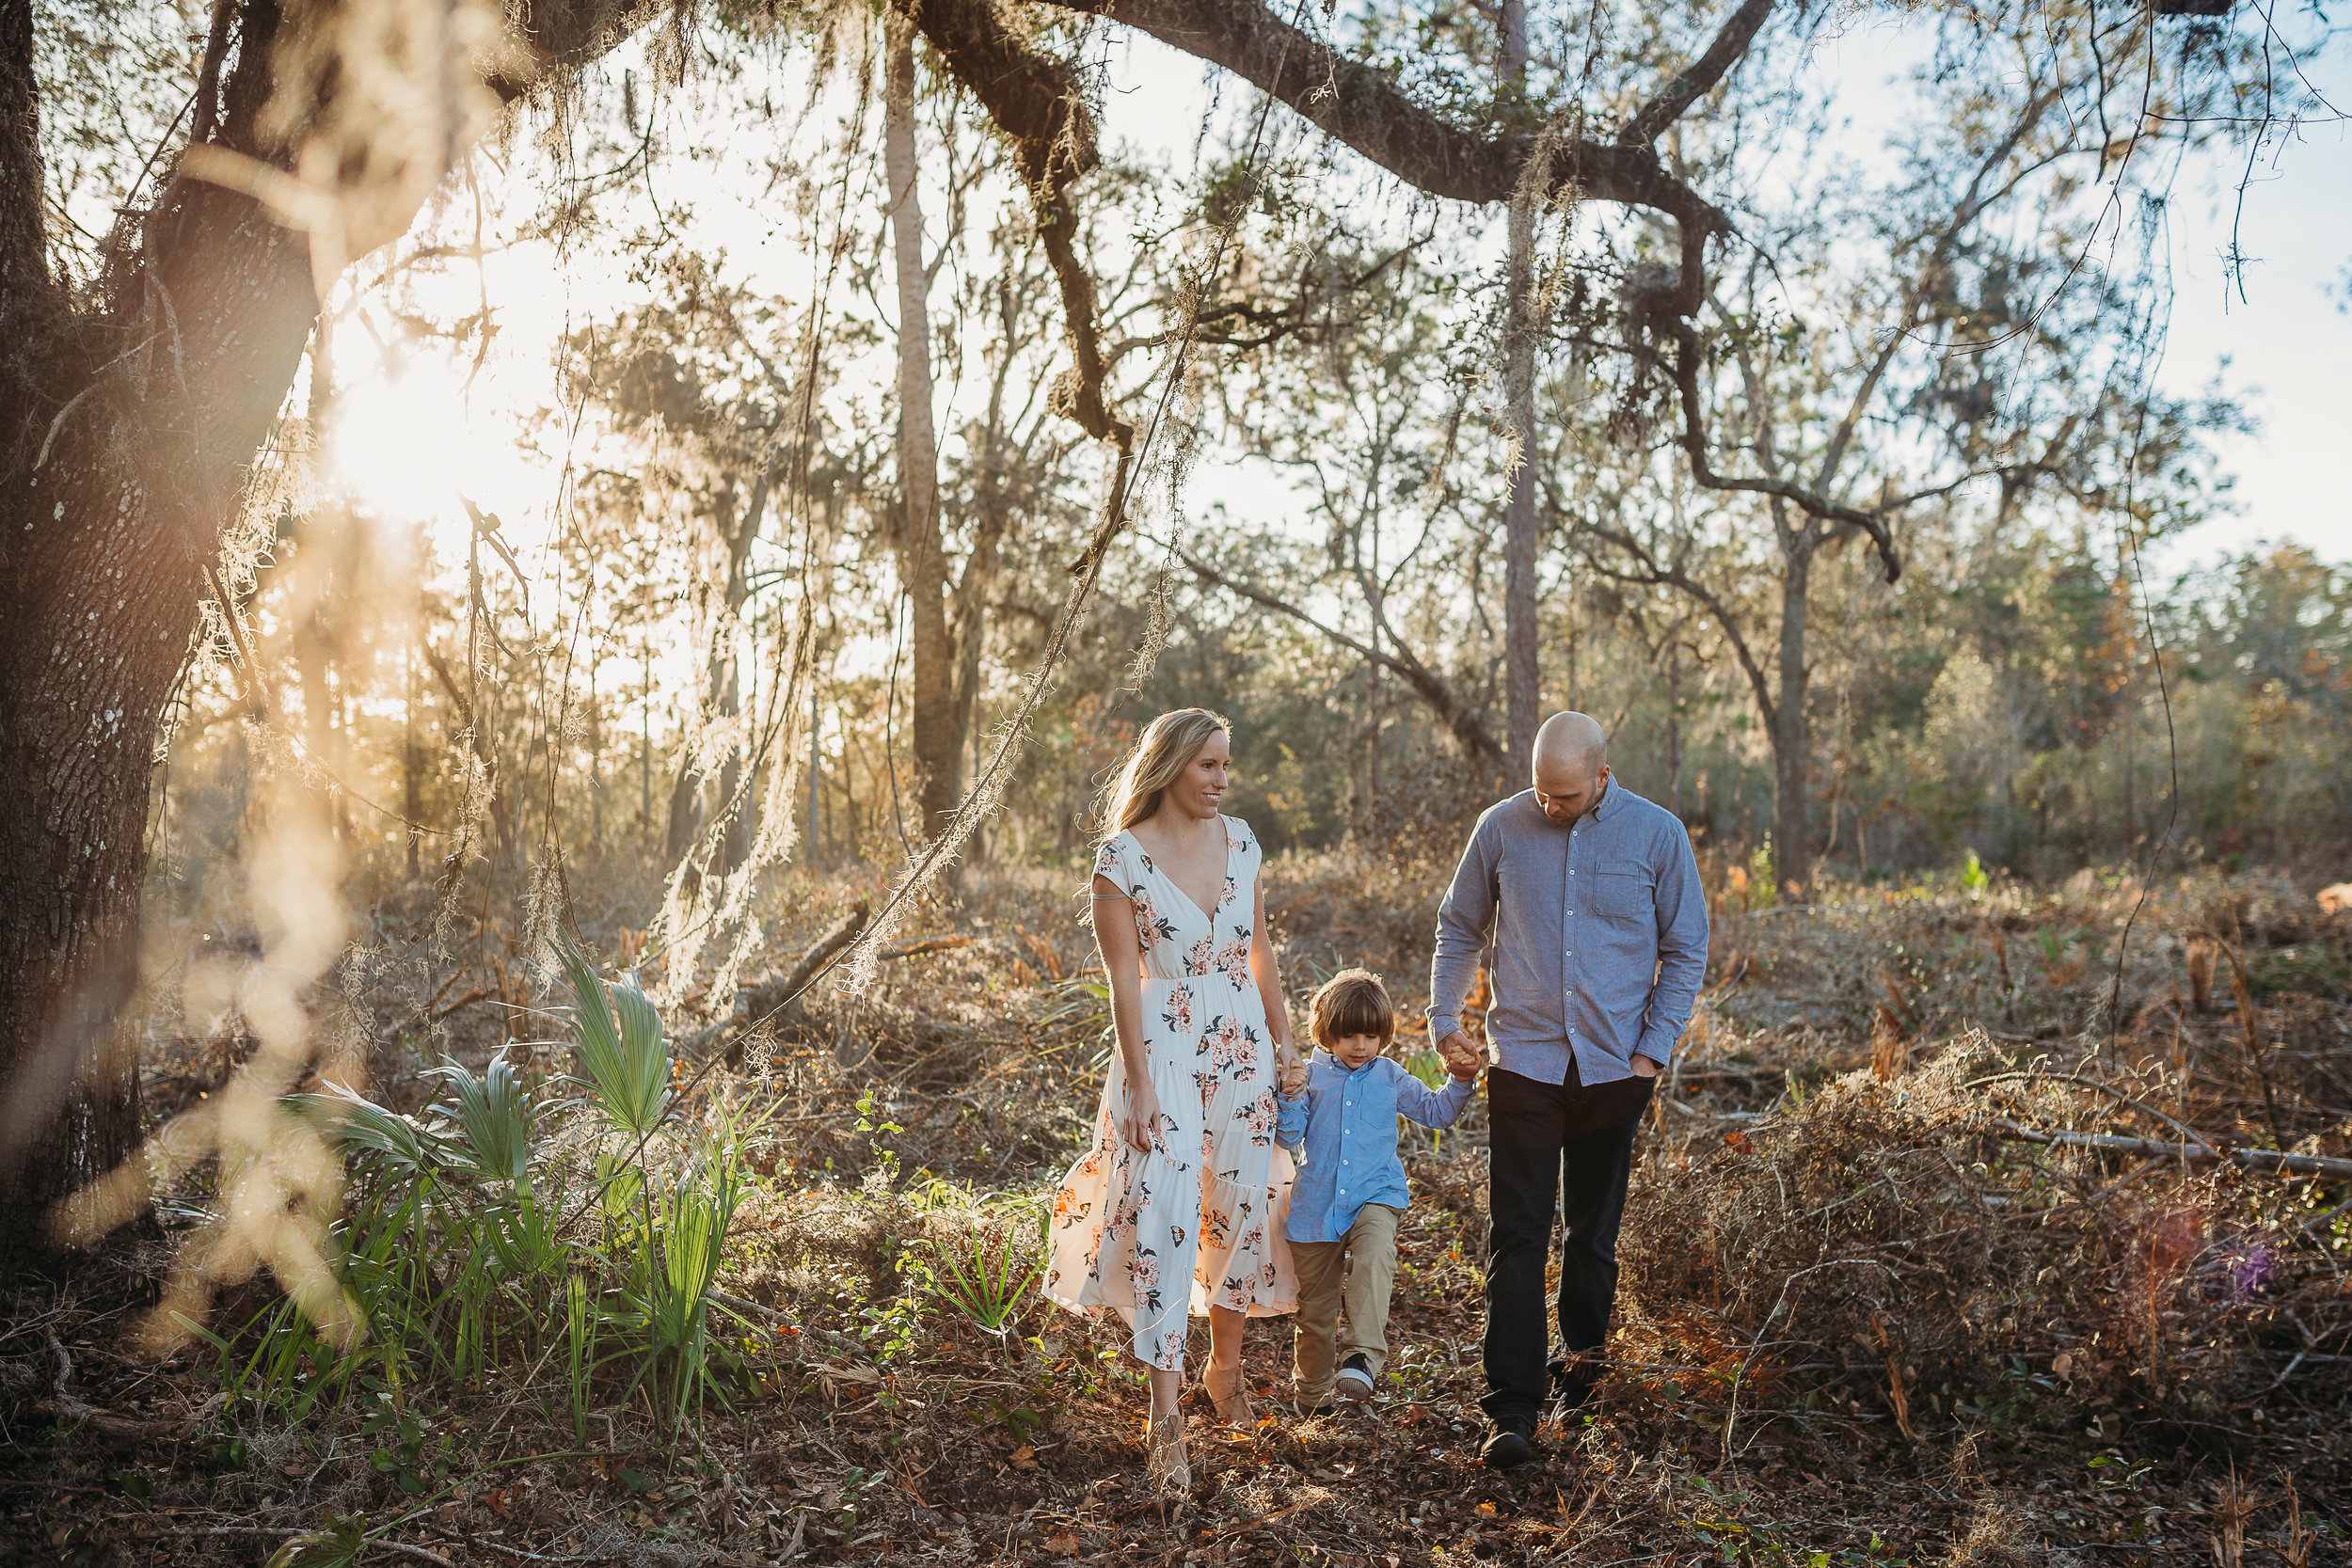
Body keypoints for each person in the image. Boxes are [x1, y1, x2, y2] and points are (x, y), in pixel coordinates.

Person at [1429, 711, 1708, 1469]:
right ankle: (1512, 1409)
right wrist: (1443, 1019)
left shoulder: (1658, 836)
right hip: (1523, 1061)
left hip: (1616, 1071)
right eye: (1542, 792)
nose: (1551, 807)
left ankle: (1582, 1381)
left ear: (1602, 775)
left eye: (1568, 794)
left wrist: (1651, 1052)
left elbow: (1686, 948)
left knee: (1593, 1238)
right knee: (1516, 1235)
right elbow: (1460, 925)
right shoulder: (1501, 827)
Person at [1043, 708, 1302, 1496]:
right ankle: (1164, 1417)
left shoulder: (1245, 842)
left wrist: (1286, 1041)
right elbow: (1124, 980)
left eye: (1227, 765)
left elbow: (1259, 950)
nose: (1223, 780)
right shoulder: (1119, 859)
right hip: (1159, 1046)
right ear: (1170, 767)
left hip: (1241, 1045)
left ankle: (1226, 1369)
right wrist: (1141, 1083)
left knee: (1237, 1202)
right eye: (1209, 766)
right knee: (1161, 1205)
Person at [1276, 969, 1479, 1416]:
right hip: (1315, 1207)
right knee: (1315, 1314)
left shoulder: (1389, 1076)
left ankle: (1362, 1356)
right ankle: (1311, 1401)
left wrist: (1461, 1080)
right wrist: (1289, 1095)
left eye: (1370, 1036)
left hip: (1375, 1194)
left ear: (1382, 1037)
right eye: (1349, 1035)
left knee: (1375, 1254)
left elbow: (1436, 1111)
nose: (1360, 1046)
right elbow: (1289, 1139)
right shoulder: (1309, 1075)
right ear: (1326, 1032)